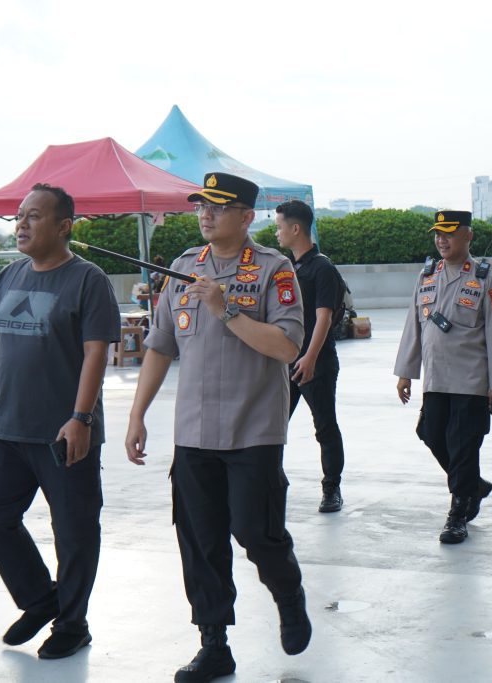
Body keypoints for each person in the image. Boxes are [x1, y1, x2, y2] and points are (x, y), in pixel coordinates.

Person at [125, 172, 311, 682]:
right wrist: (138, 414)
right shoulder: (183, 268)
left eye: (219, 207)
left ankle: (288, 593)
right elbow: (160, 346)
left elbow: (287, 347)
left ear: (246, 217)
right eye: (201, 206)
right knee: (200, 541)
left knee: (255, 531)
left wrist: (225, 310)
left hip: (253, 429)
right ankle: (214, 644)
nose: (206, 214)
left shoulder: (273, 270)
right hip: (194, 431)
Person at [0, 183, 120, 659]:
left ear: (64, 226)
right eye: (19, 215)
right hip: (9, 428)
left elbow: (96, 353)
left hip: (63, 434)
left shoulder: (87, 280)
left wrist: (81, 417)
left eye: (33, 216)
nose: (21, 224)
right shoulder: (10, 275)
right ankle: (40, 599)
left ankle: (72, 625)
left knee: (74, 533)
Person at [394, 210, 492, 544]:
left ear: (468, 236)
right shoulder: (427, 276)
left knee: (462, 447)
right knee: (430, 433)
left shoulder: (486, 280)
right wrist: (406, 373)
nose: (442, 240)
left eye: (449, 233)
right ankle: (473, 485)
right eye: (438, 234)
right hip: (436, 378)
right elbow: (414, 326)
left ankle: (458, 513)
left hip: (471, 382)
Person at [275, 199, 347, 513]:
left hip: (316, 362)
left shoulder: (322, 268)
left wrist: (310, 357)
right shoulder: (288, 268)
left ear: (295, 228)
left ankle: (331, 489)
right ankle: (269, 481)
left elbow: (324, 317)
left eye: (279, 227)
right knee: (273, 425)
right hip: (287, 360)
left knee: (325, 426)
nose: (276, 233)